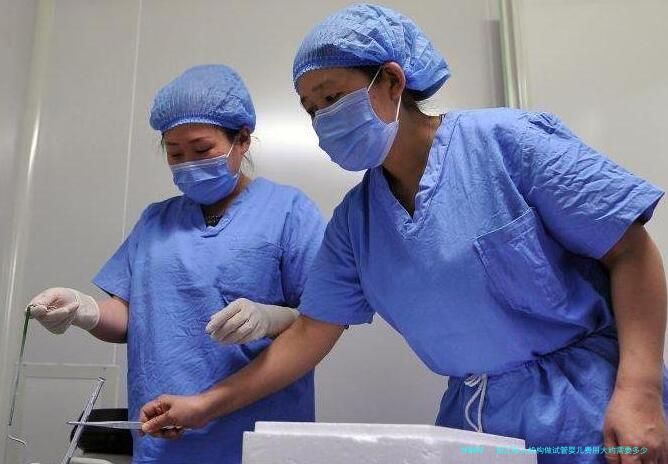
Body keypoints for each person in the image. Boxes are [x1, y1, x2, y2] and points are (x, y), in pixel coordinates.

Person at [140, 5, 668, 463]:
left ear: (392, 81)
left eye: (332, 96)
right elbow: (307, 336)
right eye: (311, 109)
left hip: (592, 410)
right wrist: (205, 405)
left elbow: (631, 251)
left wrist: (639, 390)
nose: (322, 118)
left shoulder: (506, 143)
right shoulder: (357, 222)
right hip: (475, 425)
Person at [27, 64, 325, 464]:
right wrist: (84, 309)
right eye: (175, 153)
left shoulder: (289, 212)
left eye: (201, 150)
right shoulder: (155, 221)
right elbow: (134, 316)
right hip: (165, 439)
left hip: (259, 440)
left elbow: (320, 322)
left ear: (242, 140)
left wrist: (272, 318)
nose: (188, 163)